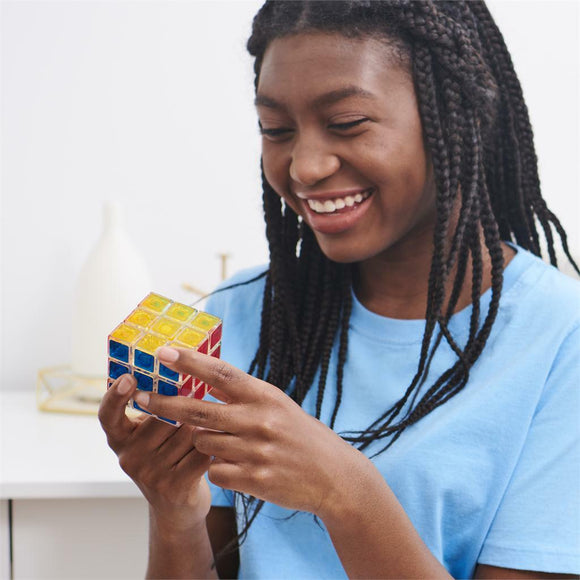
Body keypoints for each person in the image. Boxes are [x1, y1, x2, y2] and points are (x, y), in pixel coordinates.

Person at [98, 1, 580, 578]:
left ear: (459, 116)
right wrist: (174, 511)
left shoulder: (560, 340)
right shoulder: (245, 313)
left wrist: (345, 492)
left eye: (347, 122)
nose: (304, 166)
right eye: (276, 129)